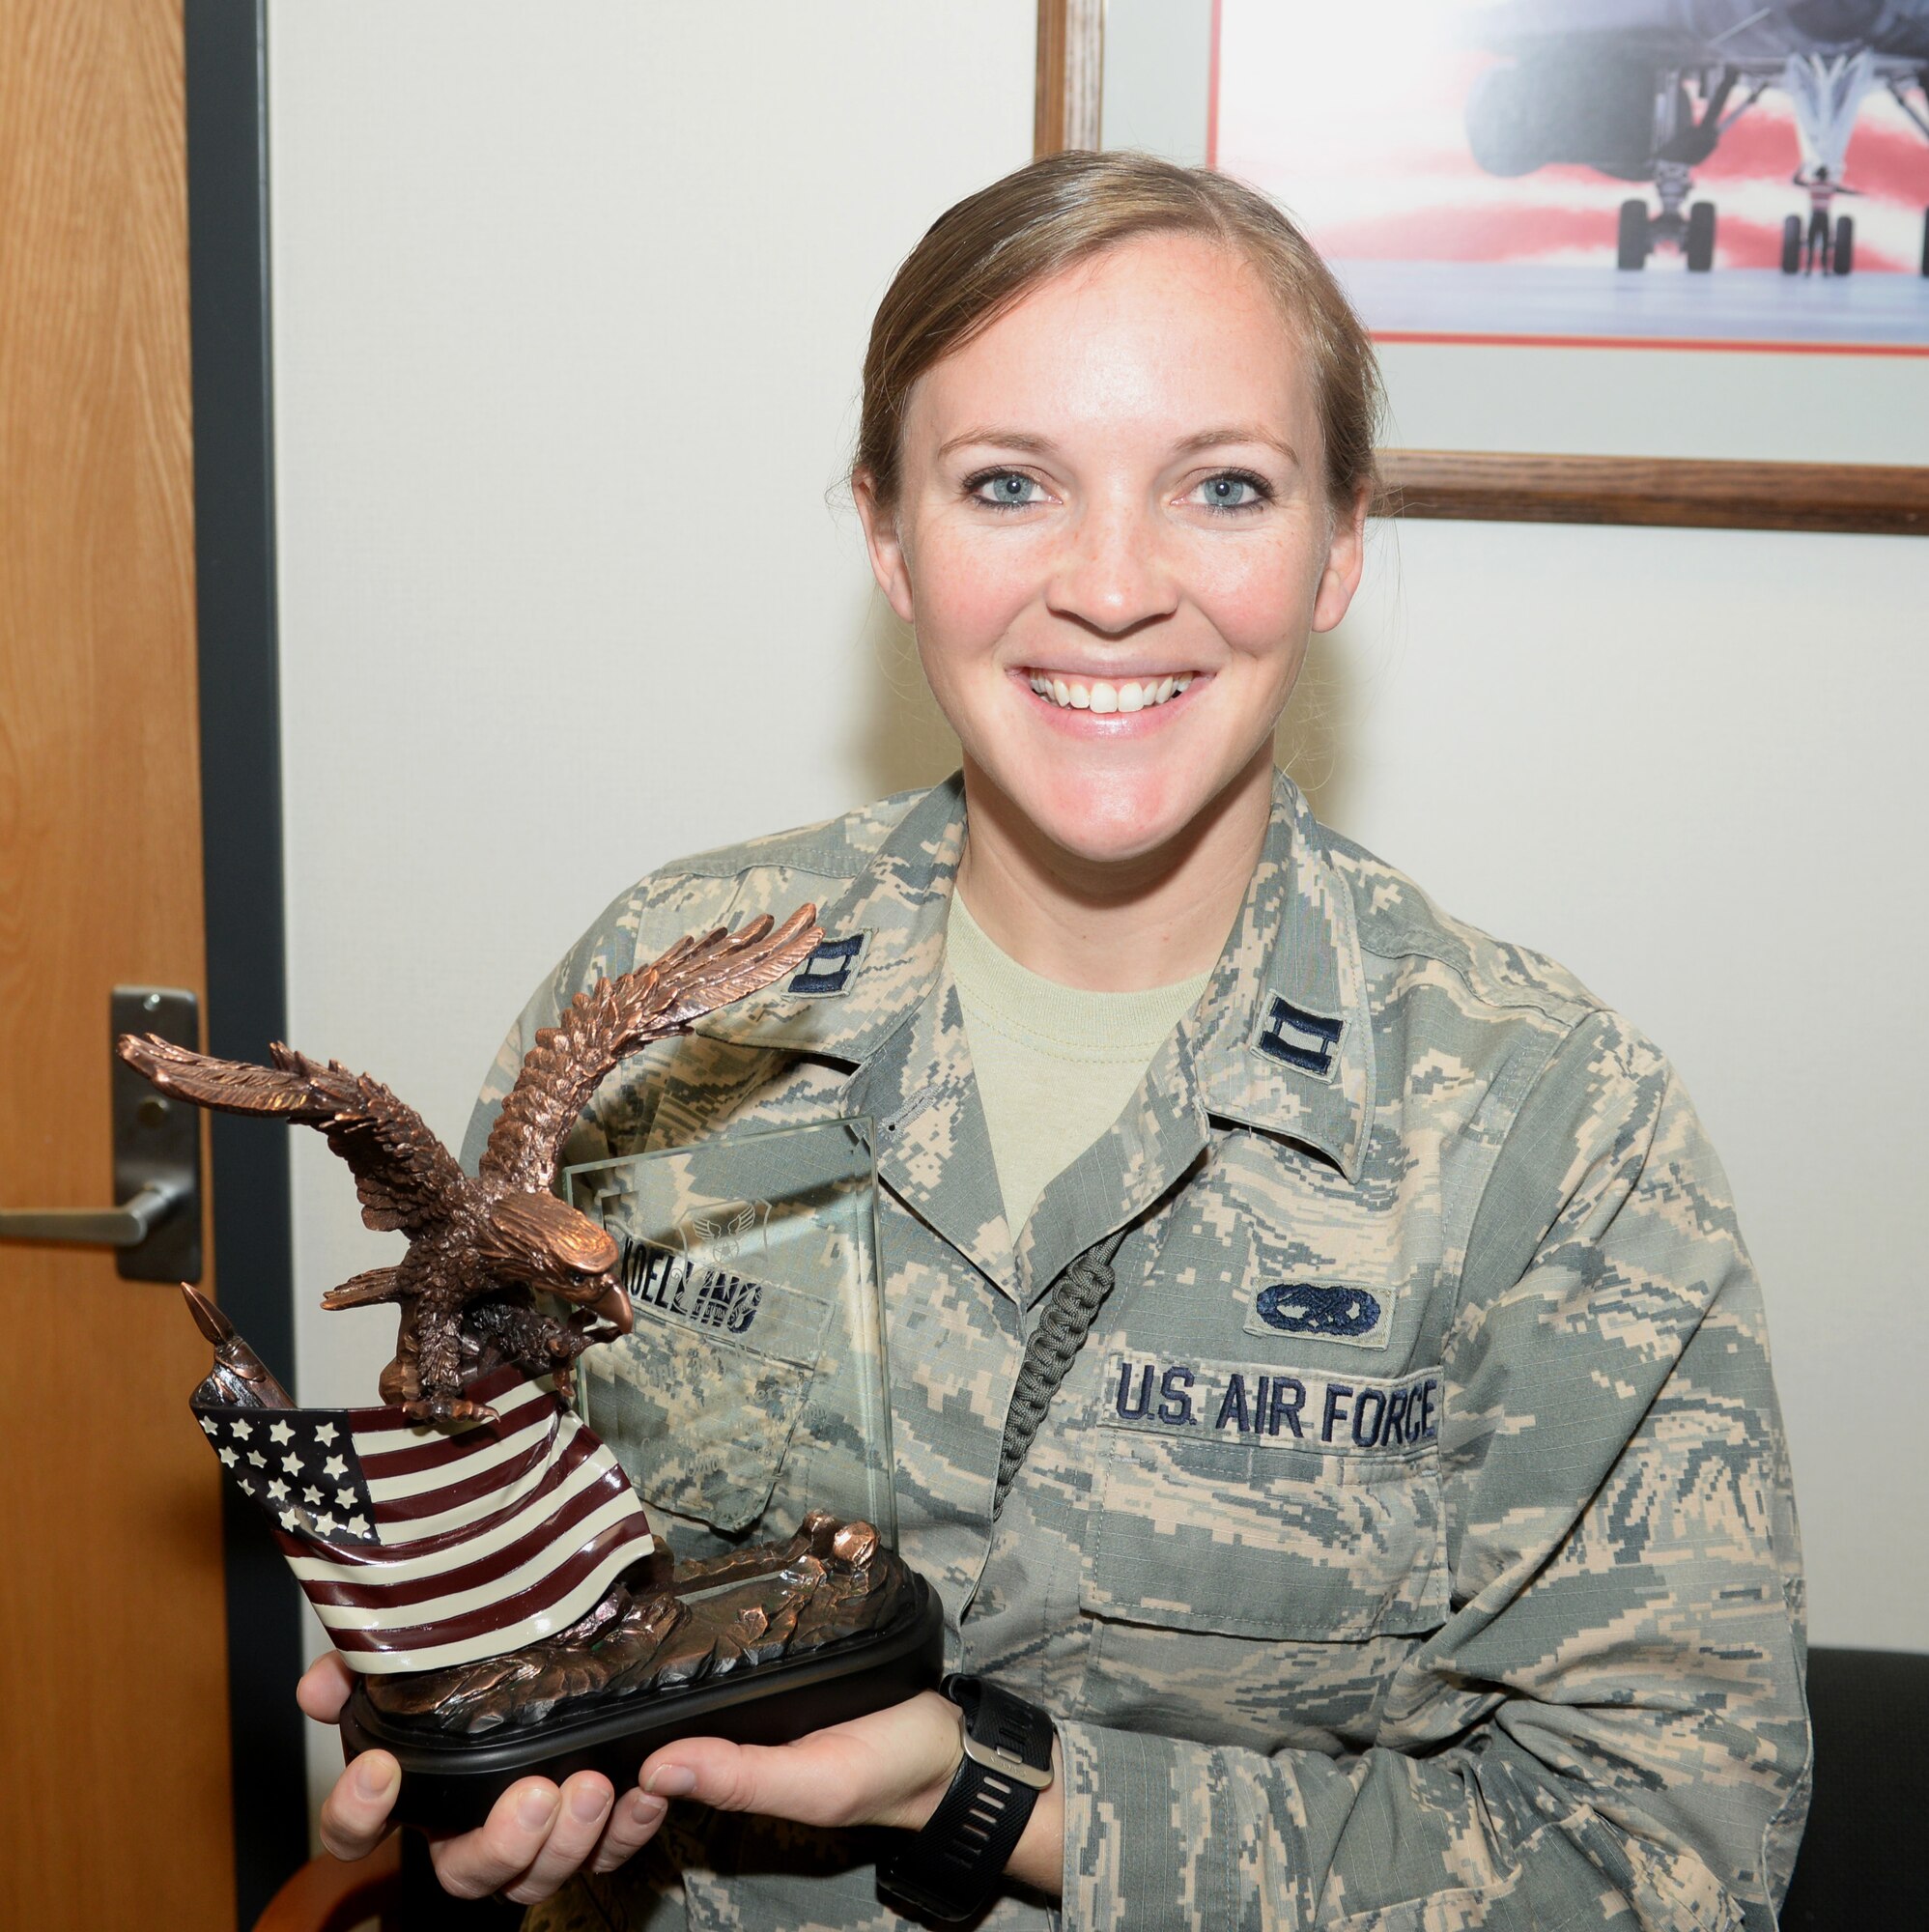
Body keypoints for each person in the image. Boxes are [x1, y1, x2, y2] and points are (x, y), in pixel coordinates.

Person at [301, 152, 1810, 1929]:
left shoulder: (1547, 1128)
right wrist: (469, 1738)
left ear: (1337, 543)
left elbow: (1665, 1870)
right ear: (884, 532)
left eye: (1222, 489)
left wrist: (991, 1790)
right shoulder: (662, 1011)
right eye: (1008, 483)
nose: (1110, 587)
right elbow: (509, 1515)